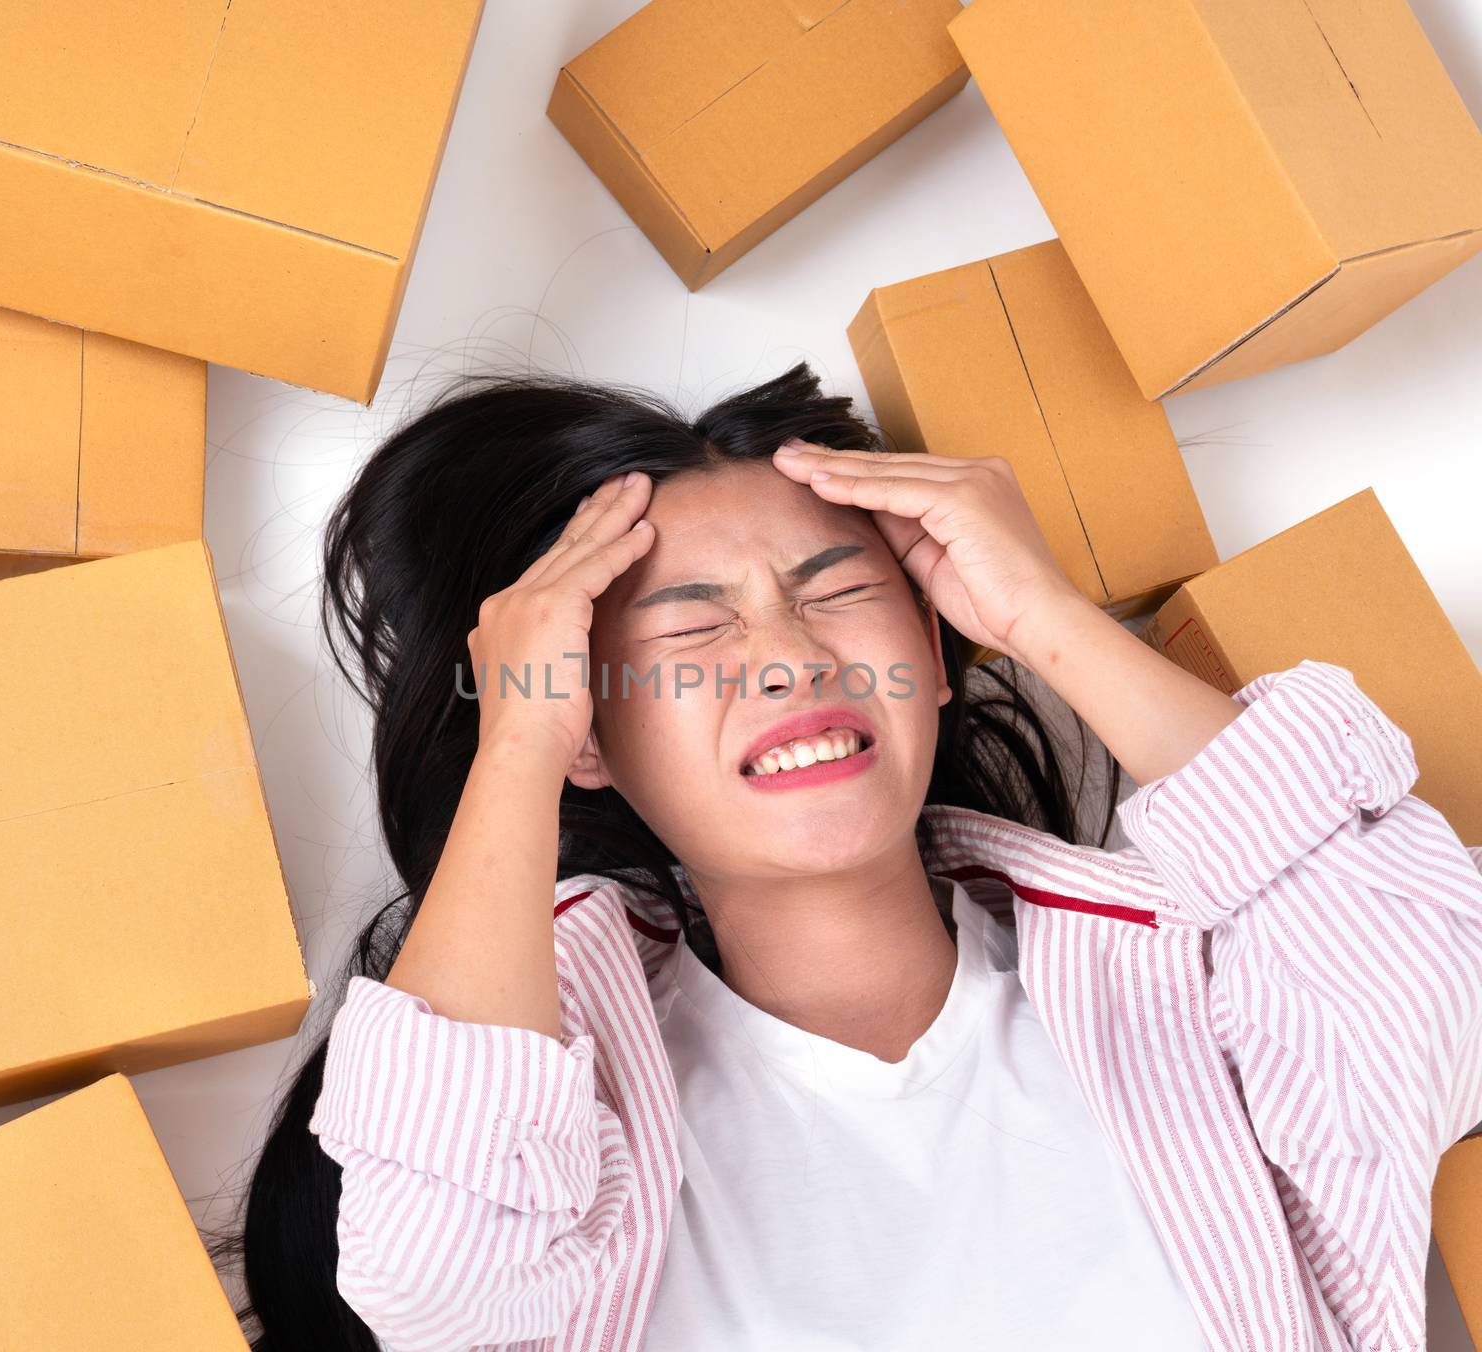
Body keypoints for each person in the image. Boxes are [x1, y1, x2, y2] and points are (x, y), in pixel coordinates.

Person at [229, 362, 1482, 1352]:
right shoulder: (570, 1122)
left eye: (835, 590)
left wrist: (1043, 616)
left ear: (934, 659)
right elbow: (432, 1276)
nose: (788, 656)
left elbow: (1432, 990)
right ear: (589, 735)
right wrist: (517, 736)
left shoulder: (1181, 982)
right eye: (692, 622)